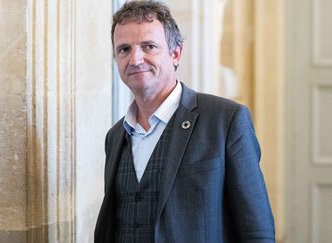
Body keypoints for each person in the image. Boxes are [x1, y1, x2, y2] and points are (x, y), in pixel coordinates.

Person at [94, 0, 275, 242]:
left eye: (149, 46)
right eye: (124, 49)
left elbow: (256, 231)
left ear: (175, 53)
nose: (135, 59)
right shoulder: (114, 136)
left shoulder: (226, 121)